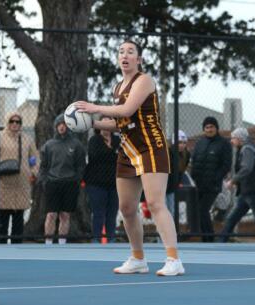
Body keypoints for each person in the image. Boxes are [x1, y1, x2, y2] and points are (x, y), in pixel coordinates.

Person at [75, 39, 185, 276]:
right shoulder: (117, 88)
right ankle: (138, 259)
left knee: (155, 203)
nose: (125, 55)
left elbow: (126, 110)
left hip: (150, 147)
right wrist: (89, 123)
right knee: (126, 208)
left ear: (139, 59)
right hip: (128, 149)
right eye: (121, 51)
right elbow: (120, 122)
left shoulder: (144, 81)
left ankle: (174, 259)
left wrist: (95, 107)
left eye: (130, 52)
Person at [0, 112, 38, 243]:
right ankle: (0, 245)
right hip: (3, 182)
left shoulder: (27, 139)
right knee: (2, 216)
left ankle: (17, 245)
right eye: (12, 121)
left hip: (22, 183)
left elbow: (35, 158)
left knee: (18, 217)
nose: (15, 124)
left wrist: (33, 172)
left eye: (18, 122)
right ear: (7, 122)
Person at [39, 114, 86, 245]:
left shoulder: (76, 145)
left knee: (65, 215)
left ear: (69, 126)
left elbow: (81, 166)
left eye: (64, 124)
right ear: (55, 126)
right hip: (52, 184)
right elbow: (43, 166)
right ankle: (48, 242)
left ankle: (62, 243)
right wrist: (44, 181)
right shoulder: (49, 145)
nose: (61, 127)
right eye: (59, 124)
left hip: (69, 184)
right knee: (51, 215)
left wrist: (75, 180)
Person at [220, 128, 255, 243]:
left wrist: (233, 181)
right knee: (234, 218)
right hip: (246, 190)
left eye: (233, 138)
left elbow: (247, 168)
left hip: (251, 190)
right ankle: (222, 240)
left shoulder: (247, 149)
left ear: (239, 138)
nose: (231, 141)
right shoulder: (245, 148)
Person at [190, 116, 232, 242]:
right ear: (204, 129)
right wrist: (193, 179)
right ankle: (206, 238)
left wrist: (216, 178)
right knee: (198, 212)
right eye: (207, 127)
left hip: (213, 185)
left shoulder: (224, 143)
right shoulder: (199, 143)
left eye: (212, 127)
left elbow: (226, 164)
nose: (209, 129)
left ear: (216, 128)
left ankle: (209, 238)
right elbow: (195, 161)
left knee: (203, 210)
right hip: (198, 184)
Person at [83, 118, 120, 243]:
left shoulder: (117, 140)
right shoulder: (94, 140)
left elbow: (122, 157)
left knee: (112, 213)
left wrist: (111, 153)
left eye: (108, 124)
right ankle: (96, 238)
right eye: (103, 124)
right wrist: (113, 153)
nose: (106, 127)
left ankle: (111, 238)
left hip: (114, 183)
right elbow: (95, 156)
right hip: (96, 183)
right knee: (98, 213)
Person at [165, 130, 191, 216]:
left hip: (172, 187)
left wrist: (176, 184)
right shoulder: (168, 153)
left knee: (171, 210)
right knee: (164, 210)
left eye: (184, 143)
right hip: (163, 185)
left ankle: (170, 229)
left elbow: (181, 171)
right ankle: (162, 229)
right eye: (179, 142)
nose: (182, 145)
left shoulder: (186, 155)